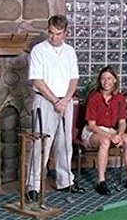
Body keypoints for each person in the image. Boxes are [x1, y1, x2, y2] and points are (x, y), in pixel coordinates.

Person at [25, 15, 84, 202]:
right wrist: (55, 101)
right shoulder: (38, 50)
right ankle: (33, 185)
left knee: (64, 143)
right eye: (51, 33)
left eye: (58, 34)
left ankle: (65, 181)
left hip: (66, 102)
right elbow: (37, 80)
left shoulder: (70, 51)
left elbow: (73, 79)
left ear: (65, 33)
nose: (53, 37)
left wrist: (65, 100)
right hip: (45, 101)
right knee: (40, 144)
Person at [82, 66, 127, 195]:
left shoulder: (120, 98)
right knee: (105, 141)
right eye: (103, 78)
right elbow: (91, 125)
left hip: (111, 130)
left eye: (109, 78)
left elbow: (122, 122)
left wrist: (119, 135)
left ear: (115, 80)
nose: (106, 82)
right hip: (92, 131)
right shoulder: (94, 97)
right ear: (100, 81)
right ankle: (101, 181)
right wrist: (111, 136)